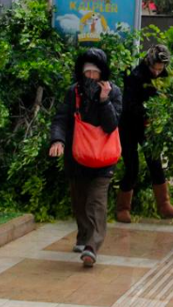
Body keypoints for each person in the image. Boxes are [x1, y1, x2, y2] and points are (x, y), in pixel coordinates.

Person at [50, 48, 122, 268]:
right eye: (87, 72)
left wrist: (104, 101)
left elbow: (112, 125)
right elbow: (61, 118)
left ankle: (92, 247)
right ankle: (83, 237)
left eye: (95, 72)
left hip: (103, 159)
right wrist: (57, 141)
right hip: (77, 157)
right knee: (79, 201)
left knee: (96, 202)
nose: (91, 76)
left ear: (102, 73)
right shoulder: (74, 92)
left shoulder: (114, 92)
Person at [115, 44, 173, 223]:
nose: (158, 72)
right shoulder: (135, 76)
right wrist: (148, 112)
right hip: (129, 126)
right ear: (149, 63)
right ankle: (123, 208)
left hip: (147, 128)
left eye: (161, 69)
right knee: (132, 167)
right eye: (155, 69)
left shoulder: (163, 76)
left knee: (155, 163)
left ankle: (164, 204)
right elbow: (129, 105)